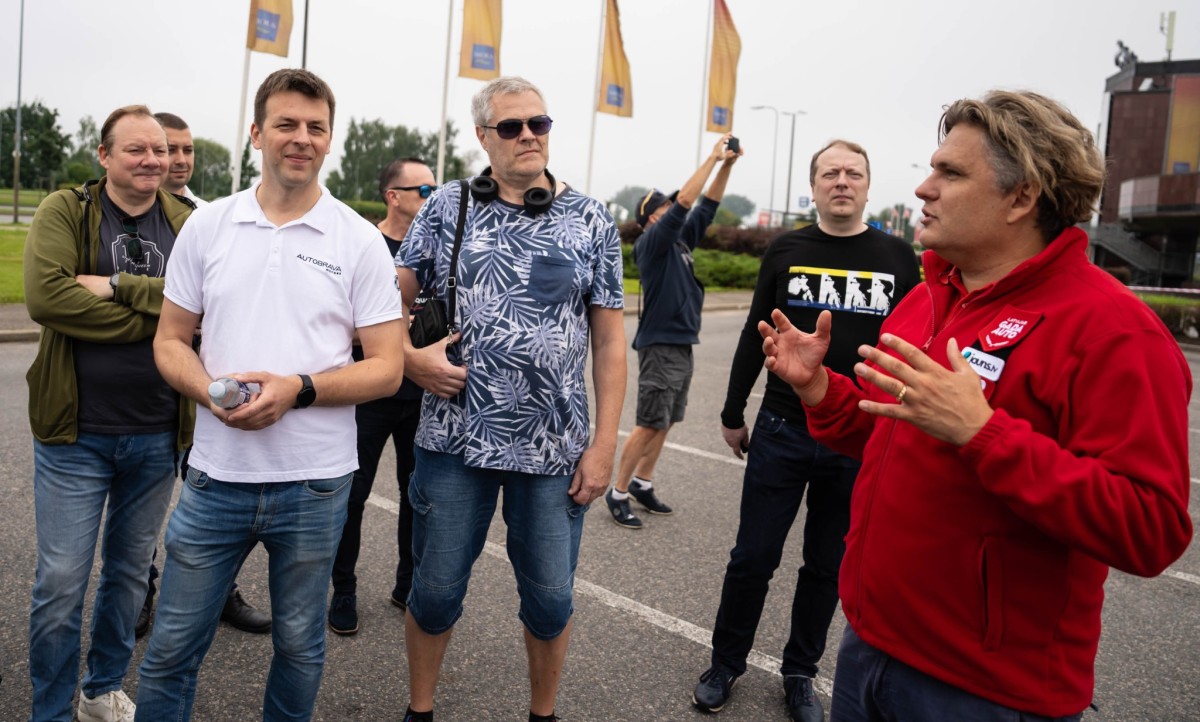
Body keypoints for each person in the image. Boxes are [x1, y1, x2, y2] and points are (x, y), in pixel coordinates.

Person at [759, 90, 1193, 721]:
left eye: (951, 173)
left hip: (986, 691)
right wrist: (818, 388)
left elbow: (1149, 529)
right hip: (867, 644)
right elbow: (890, 433)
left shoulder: (1114, 331)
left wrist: (984, 434)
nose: (923, 189)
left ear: (1022, 197)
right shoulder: (928, 299)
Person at [134, 68, 405, 721]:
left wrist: (299, 390)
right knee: (170, 651)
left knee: (299, 648)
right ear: (257, 133)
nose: (301, 138)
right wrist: (208, 391)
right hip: (215, 477)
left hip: (315, 485)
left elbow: (388, 369)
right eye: (286, 124)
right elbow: (170, 341)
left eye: (316, 127)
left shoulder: (359, 241)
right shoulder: (209, 227)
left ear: (330, 139)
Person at [395, 76, 626, 722]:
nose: (529, 135)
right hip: (453, 441)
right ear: (483, 136)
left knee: (550, 601)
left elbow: (610, 343)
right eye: (512, 126)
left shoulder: (590, 218)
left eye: (539, 124)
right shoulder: (447, 206)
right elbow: (386, 301)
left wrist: (605, 444)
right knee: (435, 593)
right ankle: (420, 710)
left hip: (555, 450)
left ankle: (542, 714)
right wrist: (409, 360)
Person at [693, 140, 920, 721]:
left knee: (826, 566)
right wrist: (732, 410)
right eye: (830, 173)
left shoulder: (898, 257)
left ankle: (800, 673)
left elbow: (911, 348)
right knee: (753, 557)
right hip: (782, 428)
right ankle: (725, 663)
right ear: (814, 187)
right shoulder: (787, 249)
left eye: (853, 173)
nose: (842, 181)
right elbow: (755, 330)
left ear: (868, 186)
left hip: (857, 434)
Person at [23, 104, 194, 722]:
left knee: (130, 575)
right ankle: (50, 710)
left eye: (161, 150)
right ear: (104, 155)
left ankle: (100, 691)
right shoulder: (65, 210)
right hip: (76, 432)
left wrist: (119, 285)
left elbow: (212, 305)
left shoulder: (190, 222)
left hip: (157, 431)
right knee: (61, 582)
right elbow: (48, 298)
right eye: (136, 149)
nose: (153, 160)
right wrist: (164, 320)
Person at [134, 111, 271, 640]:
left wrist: (118, 287)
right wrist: (166, 302)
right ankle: (142, 592)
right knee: (146, 509)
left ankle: (221, 590)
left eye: (187, 150)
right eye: (168, 148)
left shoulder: (212, 215)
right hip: (148, 381)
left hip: (208, 383)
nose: (178, 159)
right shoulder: (132, 212)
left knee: (210, 499)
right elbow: (176, 307)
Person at [605, 135, 741, 529]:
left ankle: (643, 483)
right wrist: (712, 158)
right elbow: (685, 202)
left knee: (667, 419)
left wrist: (727, 166)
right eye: (663, 207)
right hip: (660, 344)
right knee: (650, 420)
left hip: (681, 343)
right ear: (651, 218)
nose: (672, 208)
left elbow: (706, 205)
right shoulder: (653, 243)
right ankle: (618, 492)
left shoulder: (680, 241)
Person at [327, 157, 436, 635]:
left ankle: (407, 584)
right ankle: (343, 590)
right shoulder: (362, 245)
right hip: (370, 391)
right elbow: (336, 321)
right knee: (352, 496)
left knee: (419, 496)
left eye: (436, 189)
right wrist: (388, 327)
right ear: (393, 196)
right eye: (424, 191)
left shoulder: (439, 248)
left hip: (424, 394)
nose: (434, 198)